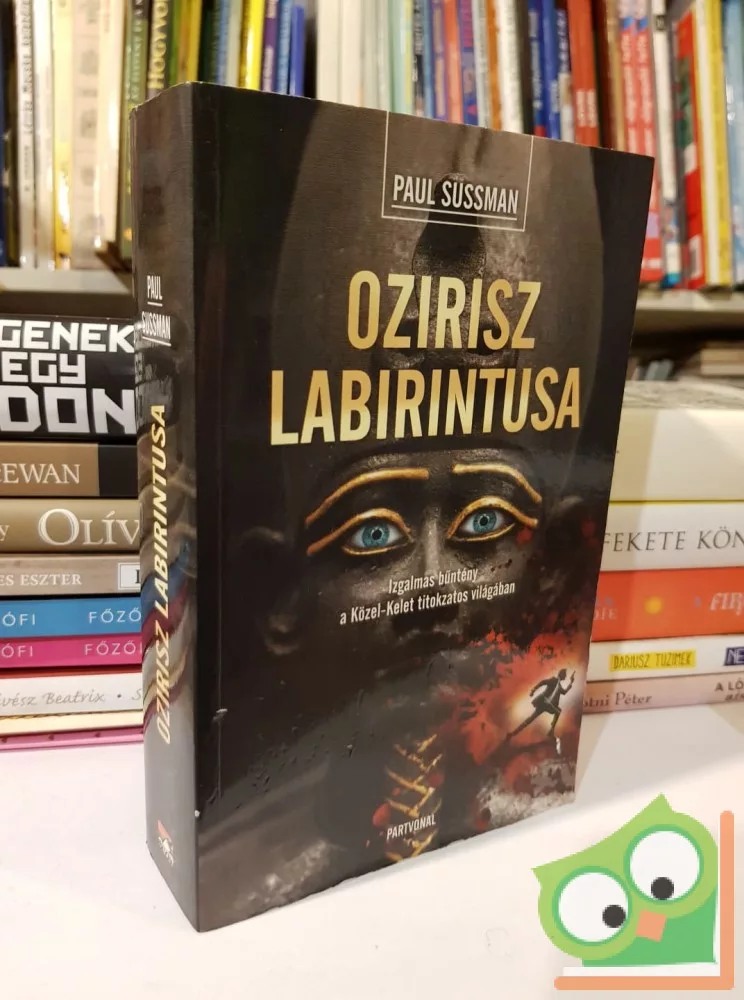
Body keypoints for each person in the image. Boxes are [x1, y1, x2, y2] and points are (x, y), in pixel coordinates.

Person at [507, 669, 576, 753]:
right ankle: (514, 732)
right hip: (543, 702)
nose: (565, 676)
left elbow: (564, 692)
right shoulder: (553, 680)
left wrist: (571, 682)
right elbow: (543, 682)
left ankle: (551, 730)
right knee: (531, 718)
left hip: (549, 705)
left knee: (557, 711)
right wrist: (533, 690)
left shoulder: (559, 685)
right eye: (565, 675)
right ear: (561, 675)